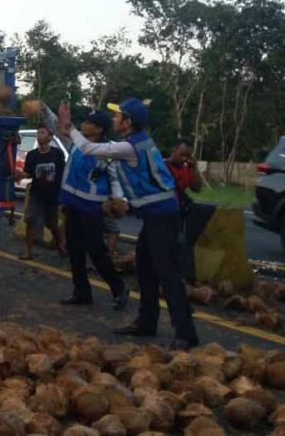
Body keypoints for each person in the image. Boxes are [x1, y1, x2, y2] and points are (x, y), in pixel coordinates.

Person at [59, 98, 199, 350]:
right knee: (145, 269)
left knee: (168, 275)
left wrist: (69, 128)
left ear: (128, 122)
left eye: (118, 116)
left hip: (163, 217)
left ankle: (186, 334)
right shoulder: (134, 143)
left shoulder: (131, 147)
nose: (114, 119)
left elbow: (91, 150)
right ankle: (146, 322)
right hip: (154, 216)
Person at [43, 107, 129, 310]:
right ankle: (82, 292)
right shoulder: (76, 142)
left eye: (88, 123)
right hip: (72, 205)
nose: (83, 124)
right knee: (75, 252)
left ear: (98, 130)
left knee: (96, 251)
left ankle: (119, 289)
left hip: (91, 208)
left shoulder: (109, 152)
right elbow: (58, 127)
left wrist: (119, 200)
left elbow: (116, 180)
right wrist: (44, 109)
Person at [15, 126, 65, 260]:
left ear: (50, 137)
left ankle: (61, 245)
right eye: (38, 133)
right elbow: (29, 172)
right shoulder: (32, 155)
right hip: (36, 194)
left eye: (42, 133)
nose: (39, 135)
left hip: (52, 195)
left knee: (52, 224)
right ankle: (29, 252)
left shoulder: (57, 153)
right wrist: (20, 175)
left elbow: (63, 173)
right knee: (30, 221)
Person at [168, 138, 203, 210]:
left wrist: (194, 168)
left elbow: (197, 189)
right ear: (173, 150)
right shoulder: (161, 166)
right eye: (182, 155)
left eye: (187, 156)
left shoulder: (186, 170)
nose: (184, 159)